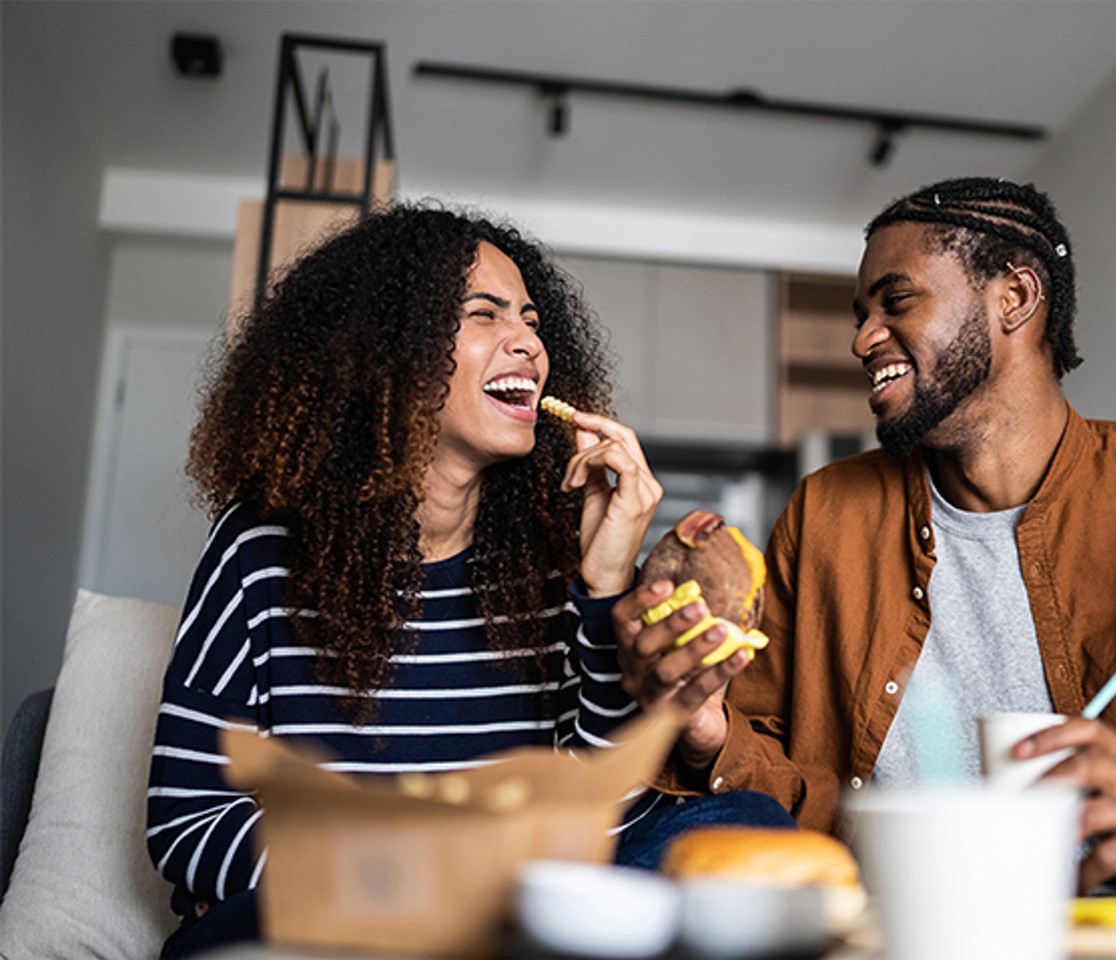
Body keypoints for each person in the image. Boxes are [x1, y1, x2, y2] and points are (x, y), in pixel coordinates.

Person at [615, 178, 1116, 955]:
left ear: (1014, 297)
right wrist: (707, 724)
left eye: (894, 302)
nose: (862, 339)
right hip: (882, 906)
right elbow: (771, 781)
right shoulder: (826, 511)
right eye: (860, 314)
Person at [147, 205, 791, 959]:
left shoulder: (551, 560)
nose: (528, 343)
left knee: (744, 824)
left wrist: (606, 581)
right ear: (390, 352)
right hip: (347, 911)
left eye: (531, 321)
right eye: (484, 315)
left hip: (515, 911)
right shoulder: (263, 548)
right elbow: (188, 823)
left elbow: (603, 826)